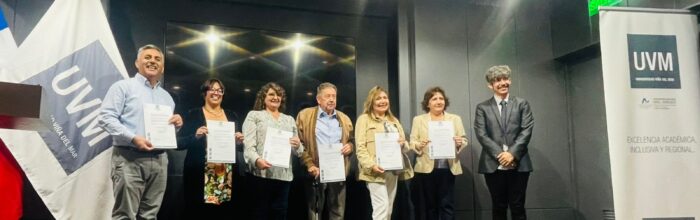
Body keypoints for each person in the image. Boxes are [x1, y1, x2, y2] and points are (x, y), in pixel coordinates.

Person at [99, 44, 183, 220]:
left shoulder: (166, 97)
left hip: (160, 160)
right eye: (148, 57)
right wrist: (133, 138)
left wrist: (176, 126)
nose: (153, 61)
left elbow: (165, 131)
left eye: (157, 59)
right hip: (129, 158)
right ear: (137, 63)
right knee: (125, 215)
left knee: (150, 216)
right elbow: (105, 118)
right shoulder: (123, 87)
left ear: (162, 67)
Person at [176, 79, 247, 219]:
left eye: (219, 90)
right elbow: (179, 143)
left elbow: (239, 148)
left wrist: (239, 142)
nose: (216, 93)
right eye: (212, 89)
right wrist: (195, 136)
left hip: (226, 173)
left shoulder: (232, 116)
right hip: (199, 173)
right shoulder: (193, 114)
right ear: (204, 93)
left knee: (224, 213)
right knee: (199, 212)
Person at [474, 65, 534, 220]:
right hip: (493, 164)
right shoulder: (482, 107)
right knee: (498, 206)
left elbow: (526, 130)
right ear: (490, 85)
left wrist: (512, 154)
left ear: (510, 80)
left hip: (519, 163)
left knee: (518, 206)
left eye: (505, 79)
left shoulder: (522, 104)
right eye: (497, 80)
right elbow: (481, 134)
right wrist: (501, 155)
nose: (502, 83)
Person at [243, 82, 304, 220]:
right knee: (260, 214)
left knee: (280, 214)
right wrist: (257, 160)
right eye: (271, 94)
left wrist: (298, 145)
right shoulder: (254, 115)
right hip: (261, 176)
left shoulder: (289, 120)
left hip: (284, 177)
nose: (275, 97)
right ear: (263, 98)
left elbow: (299, 152)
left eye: (279, 95)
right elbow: (248, 145)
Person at [296, 82, 354, 220]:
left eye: (334, 96)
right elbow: (299, 144)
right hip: (316, 170)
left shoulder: (344, 118)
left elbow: (352, 140)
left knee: (338, 212)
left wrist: (351, 146)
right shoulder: (304, 115)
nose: (332, 99)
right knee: (315, 212)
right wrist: (309, 164)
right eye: (327, 96)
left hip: (337, 171)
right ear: (318, 99)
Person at [355, 86, 414, 220]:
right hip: (375, 171)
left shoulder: (394, 121)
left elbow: (406, 147)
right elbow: (360, 148)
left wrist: (403, 143)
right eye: (378, 98)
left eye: (385, 98)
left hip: (393, 171)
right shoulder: (364, 119)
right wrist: (371, 165)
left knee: (388, 210)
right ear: (371, 101)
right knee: (381, 208)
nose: (383, 101)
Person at [410, 87, 468, 220]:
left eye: (441, 98)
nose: (438, 101)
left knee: (447, 205)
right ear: (428, 103)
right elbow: (412, 142)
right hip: (426, 168)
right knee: (430, 206)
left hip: (448, 168)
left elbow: (463, 139)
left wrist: (459, 142)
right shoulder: (419, 120)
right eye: (434, 99)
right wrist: (419, 145)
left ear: (445, 101)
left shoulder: (455, 119)